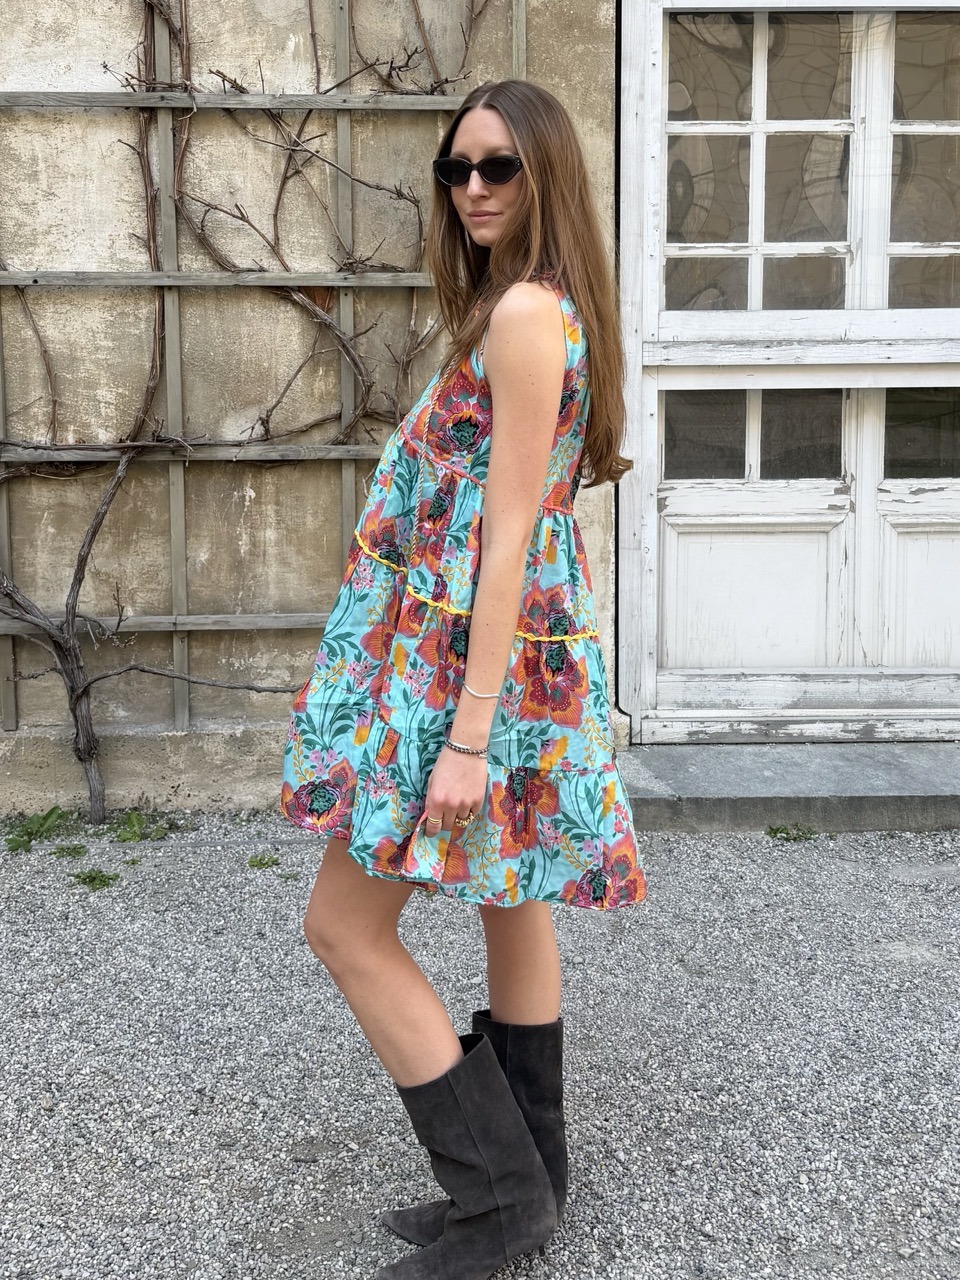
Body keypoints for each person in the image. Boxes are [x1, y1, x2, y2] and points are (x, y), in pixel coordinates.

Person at [280, 78, 647, 1280]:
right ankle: (533, 1169)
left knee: (341, 926)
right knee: (512, 886)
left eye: (498, 167)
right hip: (499, 650)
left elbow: (503, 534)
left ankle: (498, 1201)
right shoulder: (527, 304)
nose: (474, 188)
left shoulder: (525, 316)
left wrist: (468, 733)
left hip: (464, 666)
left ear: (547, 174)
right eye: (457, 169)